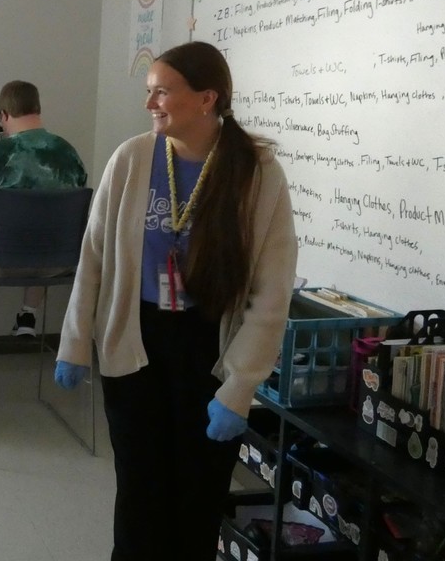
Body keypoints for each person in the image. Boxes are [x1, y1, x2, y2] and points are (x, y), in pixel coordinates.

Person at [54, 41, 297, 561]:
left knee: (197, 499)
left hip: (210, 349)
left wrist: (240, 387)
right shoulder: (133, 158)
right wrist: (74, 343)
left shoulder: (257, 173)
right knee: (139, 495)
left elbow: (270, 296)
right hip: (135, 340)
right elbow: (93, 258)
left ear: (206, 98)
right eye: (149, 92)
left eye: (161, 91)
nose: (150, 105)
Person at [0, 80, 87, 340]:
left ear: (4, 115)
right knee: (42, 239)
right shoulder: (68, 152)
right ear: (37, 108)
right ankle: (28, 316)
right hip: (58, 261)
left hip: (0, 261)